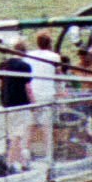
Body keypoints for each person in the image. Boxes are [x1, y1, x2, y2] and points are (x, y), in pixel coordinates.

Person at [22, 28, 65, 164]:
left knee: (30, 125)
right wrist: (61, 89)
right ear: (50, 43)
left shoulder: (29, 55)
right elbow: (59, 75)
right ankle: (48, 155)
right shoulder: (54, 57)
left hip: (32, 94)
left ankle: (25, 154)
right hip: (47, 94)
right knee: (47, 126)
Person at [0, 31, 31, 176]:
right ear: (24, 52)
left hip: (6, 103)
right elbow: (28, 88)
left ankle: (23, 163)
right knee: (18, 136)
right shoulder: (25, 66)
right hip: (21, 103)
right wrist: (34, 104)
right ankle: (8, 164)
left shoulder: (3, 65)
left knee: (12, 135)